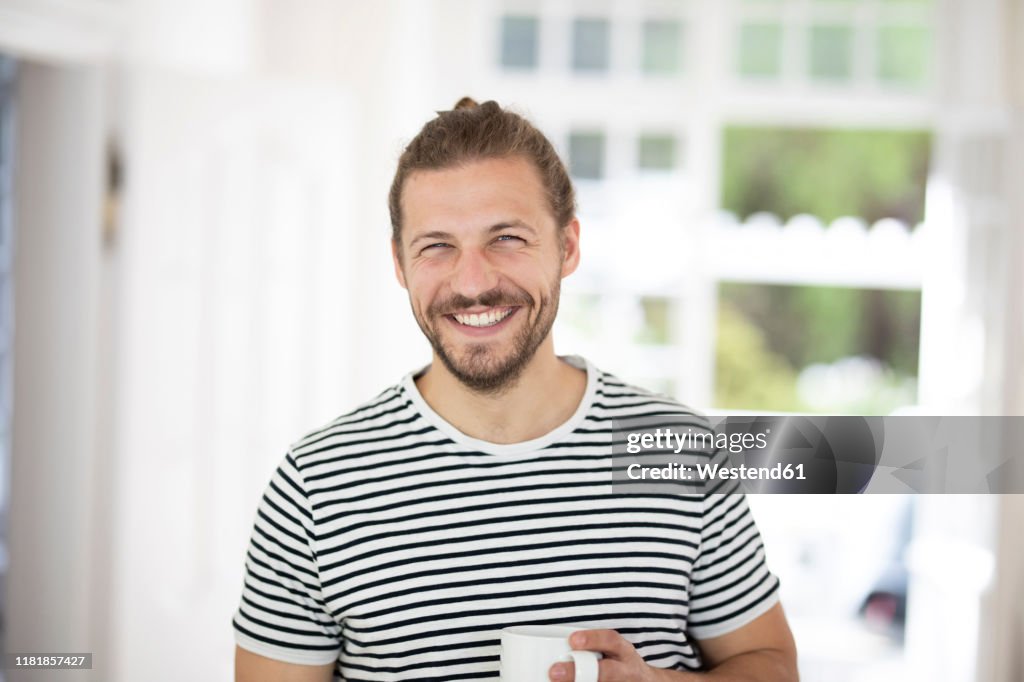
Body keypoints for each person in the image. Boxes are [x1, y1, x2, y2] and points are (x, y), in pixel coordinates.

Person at [232, 98, 798, 682]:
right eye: (436, 245)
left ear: (568, 247)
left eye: (506, 237)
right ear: (400, 264)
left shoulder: (678, 450)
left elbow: (774, 666)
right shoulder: (316, 485)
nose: (473, 282)